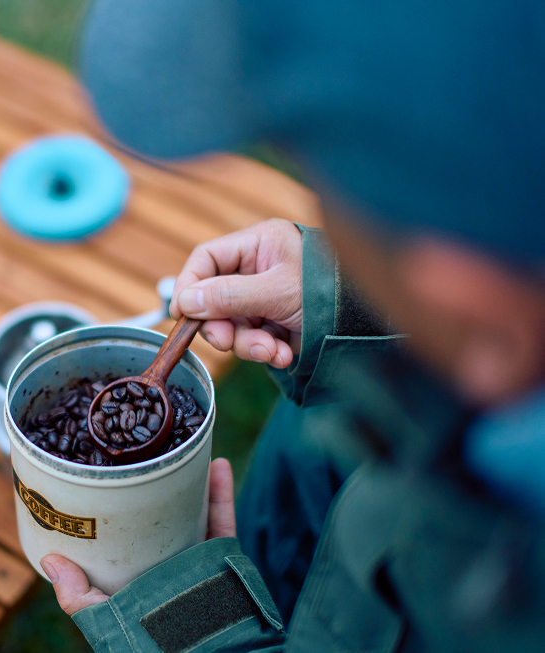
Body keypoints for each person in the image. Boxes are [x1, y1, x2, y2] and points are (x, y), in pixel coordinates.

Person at [38, 1, 545, 651]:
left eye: (335, 200)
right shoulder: (495, 335)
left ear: (470, 305)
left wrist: (193, 627)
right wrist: (347, 301)